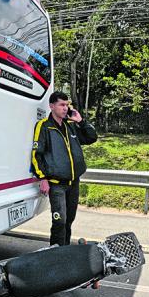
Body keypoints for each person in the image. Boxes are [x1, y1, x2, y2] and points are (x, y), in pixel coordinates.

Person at [31, 91, 97, 246]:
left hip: (73, 183)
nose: (65, 108)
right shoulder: (44, 126)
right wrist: (42, 178)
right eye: (62, 104)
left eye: (67, 105)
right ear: (52, 106)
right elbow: (36, 154)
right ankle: (55, 255)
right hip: (57, 185)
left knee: (69, 221)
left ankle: (65, 251)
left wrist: (80, 121)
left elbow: (91, 137)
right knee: (59, 221)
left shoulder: (71, 127)